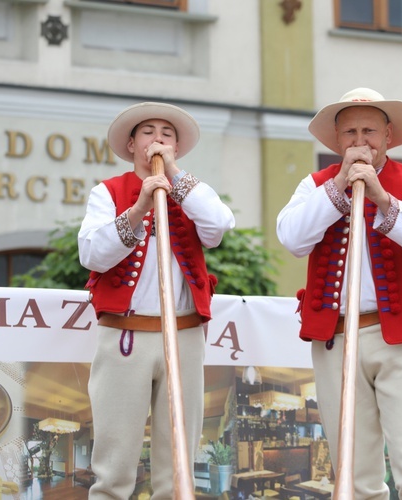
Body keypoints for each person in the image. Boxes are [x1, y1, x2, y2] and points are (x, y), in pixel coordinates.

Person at [276, 88, 402, 499]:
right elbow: (292, 237)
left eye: (369, 130)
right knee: (352, 476)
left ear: (388, 135)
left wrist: (381, 197)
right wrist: (338, 187)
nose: (360, 142)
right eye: (350, 132)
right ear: (337, 141)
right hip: (337, 339)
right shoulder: (316, 185)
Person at [78, 101, 235, 499]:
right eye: (148, 132)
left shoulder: (194, 191)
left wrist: (176, 178)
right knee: (114, 465)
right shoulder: (107, 192)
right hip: (125, 335)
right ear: (131, 144)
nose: (159, 139)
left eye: (168, 134)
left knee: (178, 462)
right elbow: (92, 254)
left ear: (178, 149)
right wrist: (140, 207)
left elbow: (217, 226)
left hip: (183, 335)